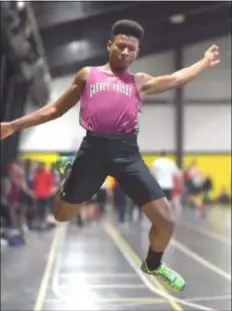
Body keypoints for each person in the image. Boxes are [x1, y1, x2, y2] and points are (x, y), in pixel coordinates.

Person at [0, 19, 220, 291]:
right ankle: (69, 172)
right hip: (92, 152)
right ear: (109, 46)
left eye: (132, 49)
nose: (126, 52)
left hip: (127, 154)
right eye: (121, 46)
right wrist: (13, 125)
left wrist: (203, 62)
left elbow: (175, 78)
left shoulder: (140, 82)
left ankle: (153, 263)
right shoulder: (87, 75)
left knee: (166, 220)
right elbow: (54, 109)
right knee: (61, 215)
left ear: (137, 52)